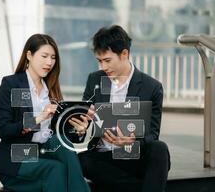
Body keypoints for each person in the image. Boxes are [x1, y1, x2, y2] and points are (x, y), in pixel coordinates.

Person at [69, 25, 170, 192]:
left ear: (124, 54)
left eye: (107, 61)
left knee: (160, 149)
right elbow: (84, 120)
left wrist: (133, 140)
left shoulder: (151, 87)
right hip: (104, 157)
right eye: (100, 61)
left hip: (134, 155)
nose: (103, 67)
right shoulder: (95, 80)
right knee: (81, 160)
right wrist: (82, 127)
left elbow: (152, 134)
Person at [0, 34, 90, 192]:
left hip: (44, 152)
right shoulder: (13, 84)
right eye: (44, 56)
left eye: (53, 57)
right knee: (56, 169)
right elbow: (4, 130)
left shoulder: (52, 91)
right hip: (18, 156)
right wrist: (38, 118)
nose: (49, 62)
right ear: (29, 55)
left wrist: (79, 131)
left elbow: (59, 136)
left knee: (61, 145)